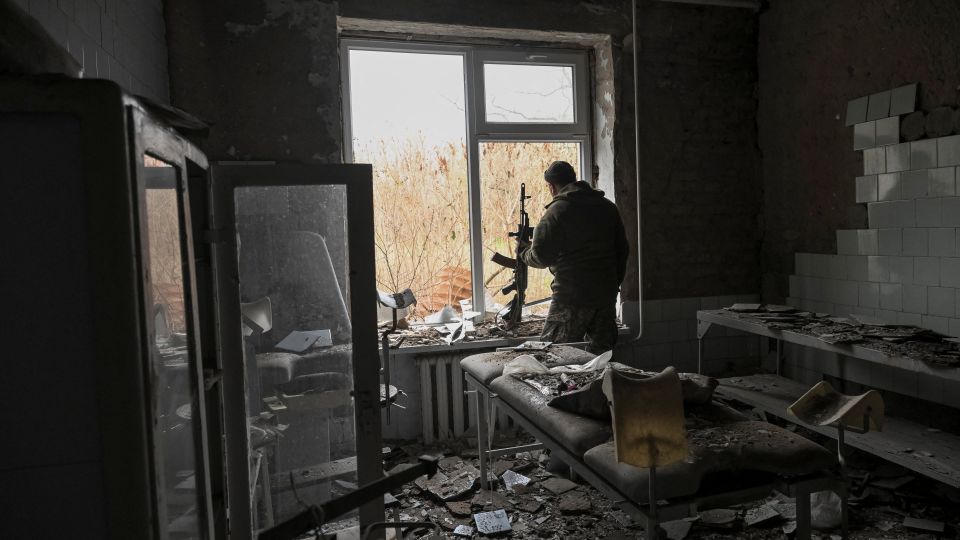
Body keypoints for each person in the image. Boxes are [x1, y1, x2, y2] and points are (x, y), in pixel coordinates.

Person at [519, 160, 629, 354]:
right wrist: (612, 284)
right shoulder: (608, 208)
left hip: (571, 298)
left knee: (553, 356)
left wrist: (524, 253)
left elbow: (542, 257)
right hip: (605, 297)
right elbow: (623, 251)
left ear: (552, 187)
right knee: (601, 359)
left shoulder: (558, 211)